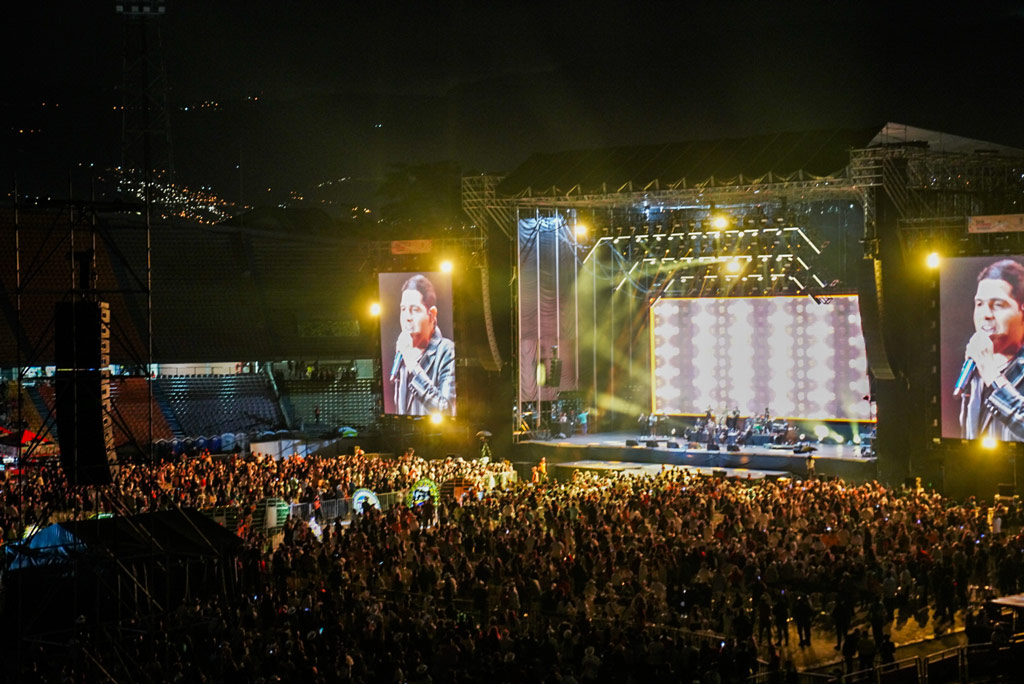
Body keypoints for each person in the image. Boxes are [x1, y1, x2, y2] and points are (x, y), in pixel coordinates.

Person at [958, 259, 1024, 440]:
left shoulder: (986, 367)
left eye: (998, 305)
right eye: (979, 304)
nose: (985, 314)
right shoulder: (976, 368)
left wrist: (989, 370)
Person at [389, 274, 456, 416]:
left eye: (414, 310)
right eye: (403, 309)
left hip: (439, 436)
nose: (407, 317)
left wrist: (413, 366)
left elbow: (446, 410)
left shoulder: (447, 351)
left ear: (431, 314)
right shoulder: (403, 351)